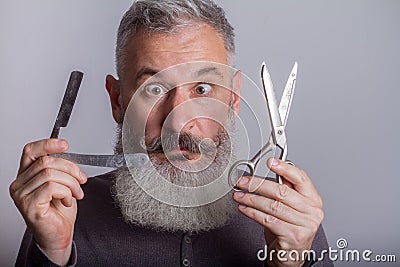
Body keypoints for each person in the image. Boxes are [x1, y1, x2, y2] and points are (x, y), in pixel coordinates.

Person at [10, 1, 332, 266]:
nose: (177, 123)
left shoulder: (289, 224)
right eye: (154, 88)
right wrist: (52, 254)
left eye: (202, 88)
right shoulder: (63, 214)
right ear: (117, 100)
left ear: (233, 99)